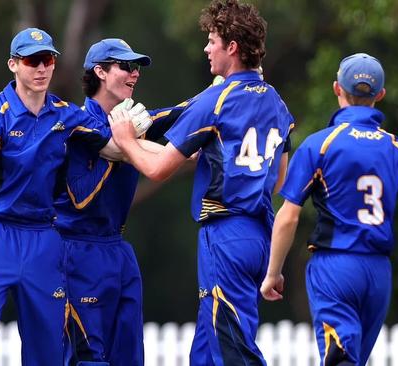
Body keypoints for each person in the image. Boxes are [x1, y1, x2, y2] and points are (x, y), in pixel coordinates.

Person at [108, 1, 294, 364]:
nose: (207, 49)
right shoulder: (277, 102)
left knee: (233, 347)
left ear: (232, 47)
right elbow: (279, 179)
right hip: (260, 236)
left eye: (212, 41)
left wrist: (127, 140)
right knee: (207, 351)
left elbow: (159, 168)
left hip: (226, 235)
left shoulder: (217, 98)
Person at [260, 53, 398, 365]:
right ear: (380, 95)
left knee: (340, 360)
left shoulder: (319, 145)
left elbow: (288, 215)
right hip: (378, 274)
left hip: (335, 269)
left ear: (336, 89)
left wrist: (273, 272)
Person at [0, 28, 126, 365]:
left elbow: (114, 148)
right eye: (32, 60)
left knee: (47, 350)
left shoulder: (64, 113)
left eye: (48, 60)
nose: (41, 68)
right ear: (13, 64)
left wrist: (178, 148)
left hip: (42, 238)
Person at [54, 38, 184, 366]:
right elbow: (80, 200)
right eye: (125, 66)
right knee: (88, 356)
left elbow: (175, 116)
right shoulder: (76, 124)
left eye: (136, 67)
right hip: (79, 249)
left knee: (129, 356)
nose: (134, 73)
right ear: (99, 71)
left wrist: (218, 96)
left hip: (119, 251)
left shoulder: (129, 123)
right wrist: (127, 146)